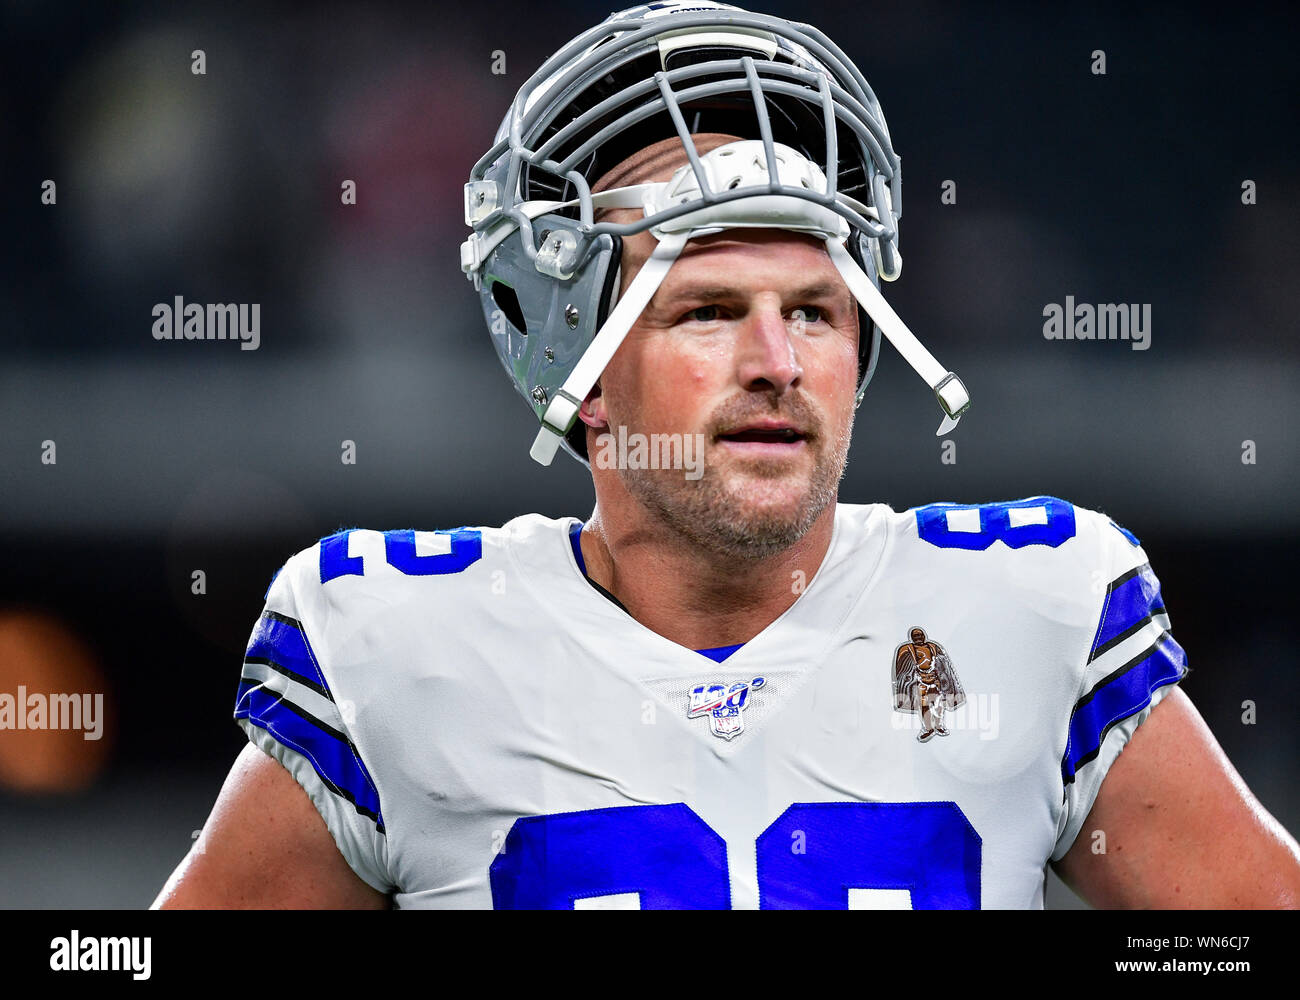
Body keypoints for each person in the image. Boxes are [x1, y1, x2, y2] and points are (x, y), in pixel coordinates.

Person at [154, 1, 1300, 909]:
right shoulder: (398, 649)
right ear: (581, 369)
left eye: (812, 309)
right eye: (705, 310)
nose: (776, 361)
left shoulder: (1027, 606)